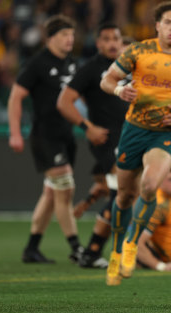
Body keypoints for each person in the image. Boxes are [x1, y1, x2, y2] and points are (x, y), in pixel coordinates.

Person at [99, 1, 171, 286]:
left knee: (150, 185)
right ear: (158, 25)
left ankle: (131, 244)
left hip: (167, 132)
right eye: (168, 23)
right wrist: (119, 89)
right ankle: (116, 251)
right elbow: (107, 80)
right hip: (134, 130)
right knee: (125, 196)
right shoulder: (138, 51)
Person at [7, 15, 83, 264]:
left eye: (71, 34)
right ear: (50, 38)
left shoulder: (71, 64)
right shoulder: (37, 63)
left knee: (51, 195)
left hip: (66, 135)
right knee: (66, 188)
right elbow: (16, 97)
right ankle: (76, 247)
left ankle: (31, 248)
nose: (69, 39)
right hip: (45, 136)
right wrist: (15, 132)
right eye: (63, 35)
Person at [56, 23, 129, 269]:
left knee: (126, 194)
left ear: (121, 42)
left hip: (132, 138)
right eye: (106, 38)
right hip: (107, 140)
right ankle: (95, 250)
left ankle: (94, 252)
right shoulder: (90, 69)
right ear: (98, 43)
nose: (111, 43)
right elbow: (64, 102)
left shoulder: (126, 67)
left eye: (115, 38)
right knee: (124, 193)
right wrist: (87, 127)